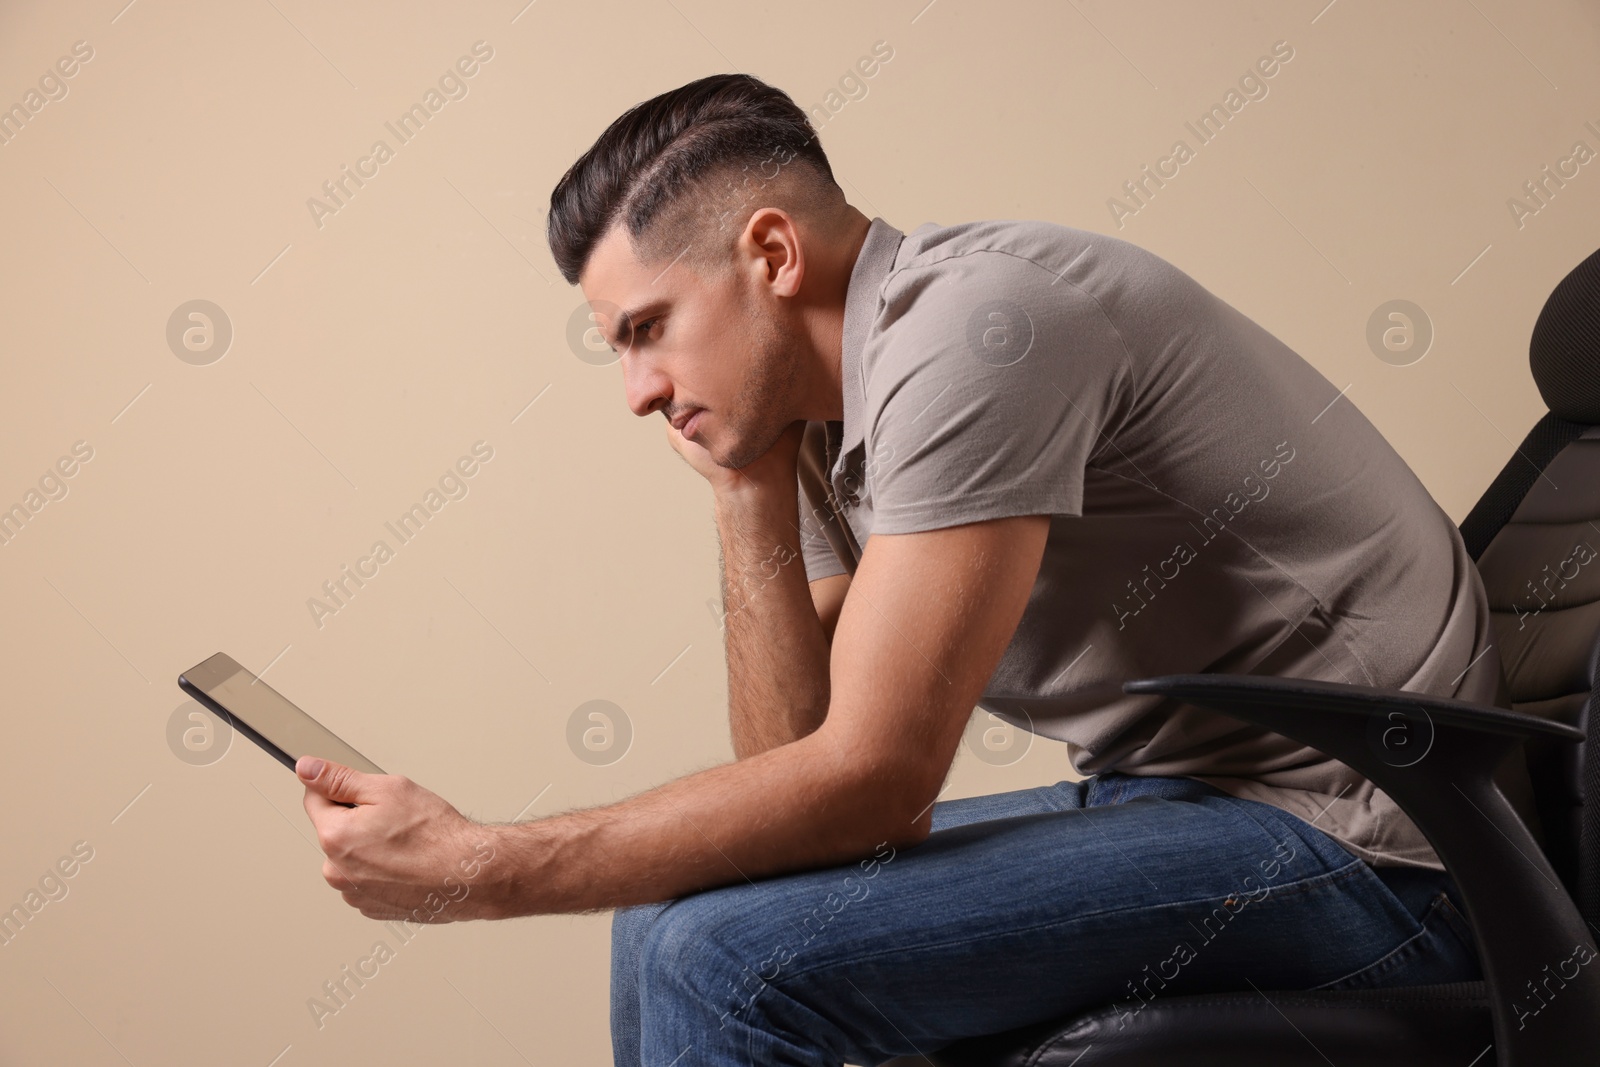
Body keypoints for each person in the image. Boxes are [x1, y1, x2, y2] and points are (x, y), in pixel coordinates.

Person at [296, 73, 1495, 1065]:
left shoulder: (976, 334)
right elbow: (789, 775)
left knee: (726, 965)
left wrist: (479, 866)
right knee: (666, 916)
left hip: (1390, 858)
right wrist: (747, 490)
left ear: (769, 253)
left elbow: (872, 785)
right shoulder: (817, 407)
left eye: (646, 328)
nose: (637, 393)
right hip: (1191, 802)